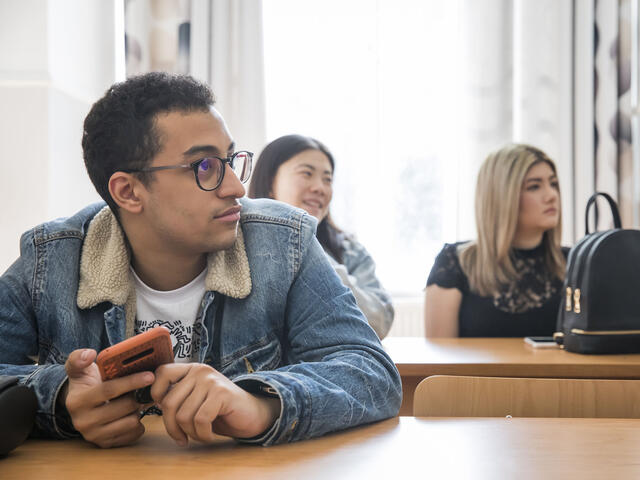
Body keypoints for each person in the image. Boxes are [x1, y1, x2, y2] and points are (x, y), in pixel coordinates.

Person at [0, 73, 401, 448]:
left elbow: (372, 373)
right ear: (129, 192)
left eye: (230, 159)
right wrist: (61, 398)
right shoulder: (51, 257)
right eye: (205, 167)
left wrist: (261, 403)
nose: (236, 186)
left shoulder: (284, 243)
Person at [248, 135, 394, 339]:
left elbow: (378, 324)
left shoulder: (349, 250)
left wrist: (310, 248)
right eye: (306, 173)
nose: (320, 188)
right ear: (270, 182)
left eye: (328, 179)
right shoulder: (239, 244)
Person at [424, 144, 569, 337]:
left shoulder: (575, 263)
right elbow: (439, 361)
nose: (551, 195)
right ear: (501, 196)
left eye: (553, 184)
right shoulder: (456, 263)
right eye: (534, 186)